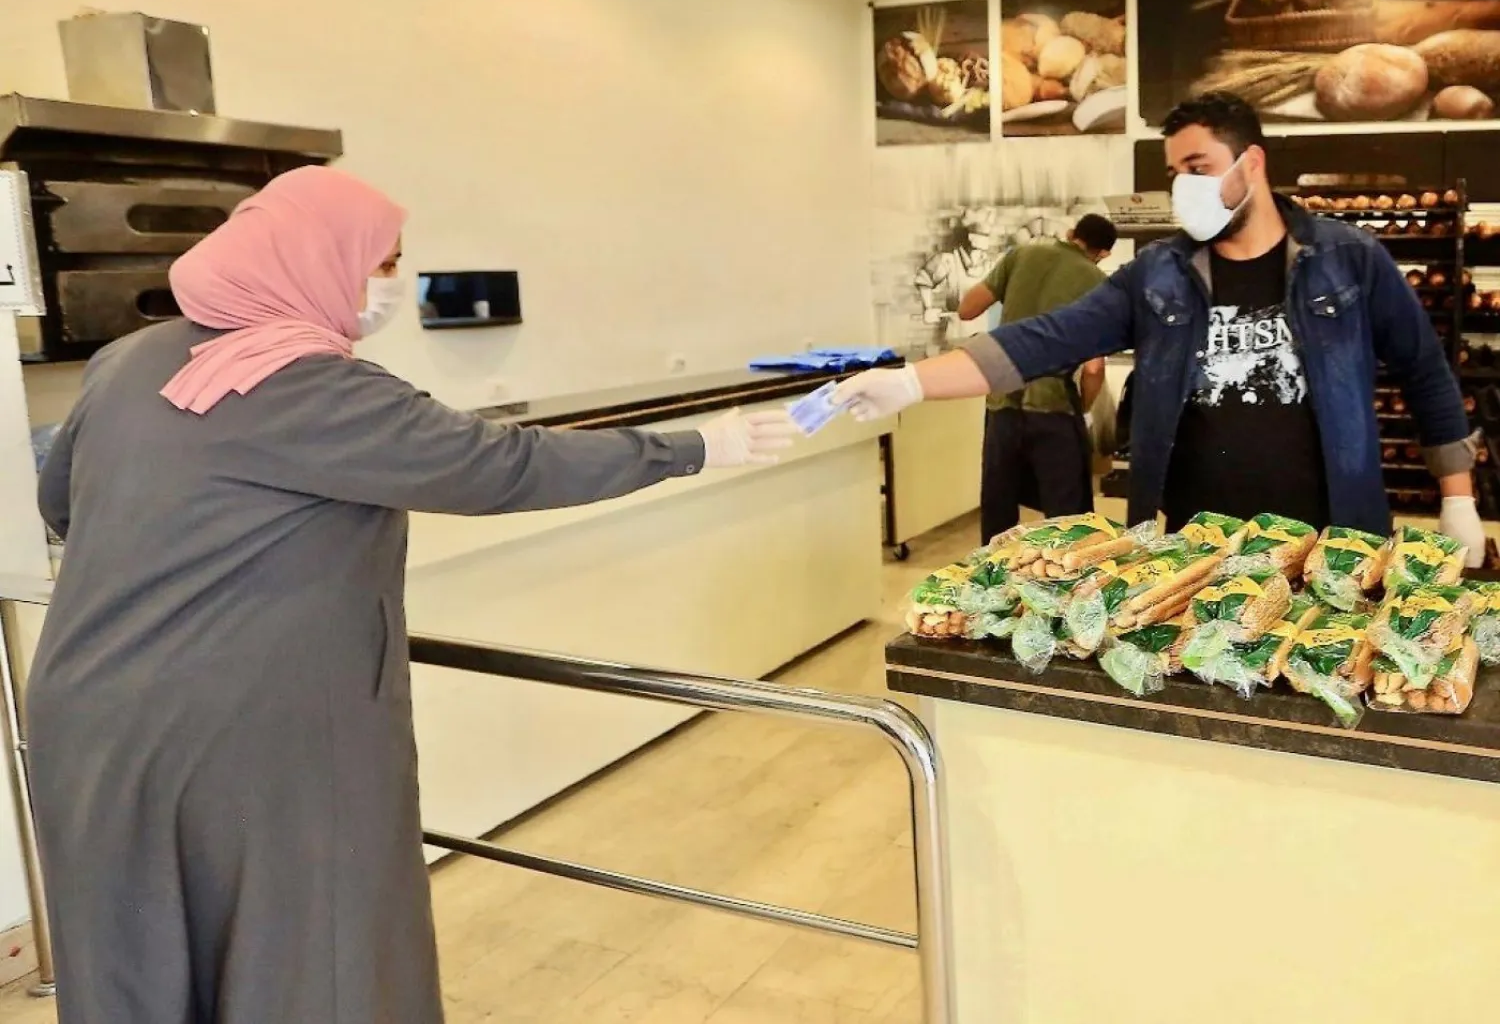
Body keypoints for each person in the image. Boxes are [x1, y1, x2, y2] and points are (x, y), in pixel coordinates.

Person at [25, 166, 799, 1024]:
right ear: (316, 258)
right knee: (307, 936)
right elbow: (502, 464)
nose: (389, 283)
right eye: (382, 262)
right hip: (244, 729)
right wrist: (696, 446)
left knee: (138, 944)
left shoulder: (125, 361)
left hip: (86, 712)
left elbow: (61, 502)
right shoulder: (310, 386)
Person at [835, 91, 1486, 560]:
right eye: (1175, 173)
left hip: (1335, 539)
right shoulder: (1157, 276)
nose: (1183, 188)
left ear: (1251, 164)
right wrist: (911, 383)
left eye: (1198, 169)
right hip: (1195, 547)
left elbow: (1425, 373)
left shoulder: (1349, 260)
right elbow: (1045, 338)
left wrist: (1458, 499)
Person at [957, 215, 1117, 542]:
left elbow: (967, 309)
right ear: (1104, 253)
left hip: (1002, 403)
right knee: (1069, 520)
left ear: (1072, 234)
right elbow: (1093, 369)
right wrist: (1083, 408)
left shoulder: (1022, 255)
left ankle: (995, 584)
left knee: (998, 511)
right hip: (1054, 406)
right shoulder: (1098, 283)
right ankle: (1064, 587)